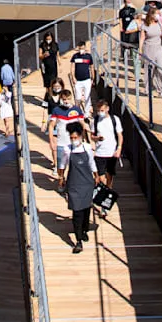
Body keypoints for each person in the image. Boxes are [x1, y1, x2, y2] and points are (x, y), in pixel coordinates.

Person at [65, 122, 98, 254]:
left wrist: (96, 176)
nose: (73, 140)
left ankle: (84, 229)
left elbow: (91, 162)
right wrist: (61, 178)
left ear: (80, 136)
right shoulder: (67, 150)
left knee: (85, 209)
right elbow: (62, 164)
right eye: (71, 138)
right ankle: (78, 240)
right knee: (76, 212)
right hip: (73, 184)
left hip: (87, 183)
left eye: (75, 137)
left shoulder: (87, 148)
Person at [47, 90, 84, 192]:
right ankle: (61, 179)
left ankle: (72, 183)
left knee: (75, 164)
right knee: (61, 165)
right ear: (61, 99)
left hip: (74, 144)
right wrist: (51, 140)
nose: (66, 101)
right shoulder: (56, 110)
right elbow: (51, 126)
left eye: (68, 99)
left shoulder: (77, 110)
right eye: (64, 99)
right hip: (61, 142)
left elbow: (82, 124)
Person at [90, 100, 122, 191]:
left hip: (111, 152)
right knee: (101, 177)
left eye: (102, 110)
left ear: (107, 109)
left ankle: (108, 192)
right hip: (99, 153)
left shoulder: (115, 119)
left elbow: (120, 135)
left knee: (110, 175)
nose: (100, 113)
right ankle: (103, 192)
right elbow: (92, 136)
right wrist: (97, 138)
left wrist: (119, 149)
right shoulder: (95, 121)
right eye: (98, 111)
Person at [139, 6, 162, 101]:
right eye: (156, 14)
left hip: (159, 48)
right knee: (150, 71)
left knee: (161, 69)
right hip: (149, 48)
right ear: (151, 15)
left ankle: (161, 90)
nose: (157, 16)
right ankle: (148, 90)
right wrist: (140, 50)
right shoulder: (145, 25)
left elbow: (161, 34)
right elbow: (142, 38)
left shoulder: (159, 23)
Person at [70, 42, 95, 113]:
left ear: (85, 48)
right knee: (78, 97)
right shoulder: (75, 56)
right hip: (78, 80)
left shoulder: (89, 56)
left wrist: (93, 78)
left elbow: (92, 67)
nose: (81, 50)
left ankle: (87, 111)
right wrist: (73, 78)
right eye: (80, 48)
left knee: (87, 96)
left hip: (87, 79)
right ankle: (77, 110)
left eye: (83, 48)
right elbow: (72, 67)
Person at [39, 34, 59, 101]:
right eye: (47, 39)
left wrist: (60, 64)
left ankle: (50, 99)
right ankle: (48, 99)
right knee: (47, 85)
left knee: (52, 83)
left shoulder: (55, 45)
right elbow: (40, 56)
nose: (48, 40)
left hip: (53, 66)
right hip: (45, 67)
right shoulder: (42, 45)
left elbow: (58, 56)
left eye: (49, 39)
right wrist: (44, 55)